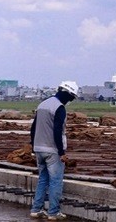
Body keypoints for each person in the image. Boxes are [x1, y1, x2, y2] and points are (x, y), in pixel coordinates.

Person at [29, 81, 79, 220]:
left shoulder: (42, 105)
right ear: (67, 94)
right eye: (71, 98)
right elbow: (57, 131)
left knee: (43, 180)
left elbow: (33, 128)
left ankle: (36, 209)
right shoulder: (59, 108)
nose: (70, 101)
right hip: (52, 150)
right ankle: (53, 212)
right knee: (56, 181)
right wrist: (61, 152)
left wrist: (33, 146)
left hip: (39, 148)